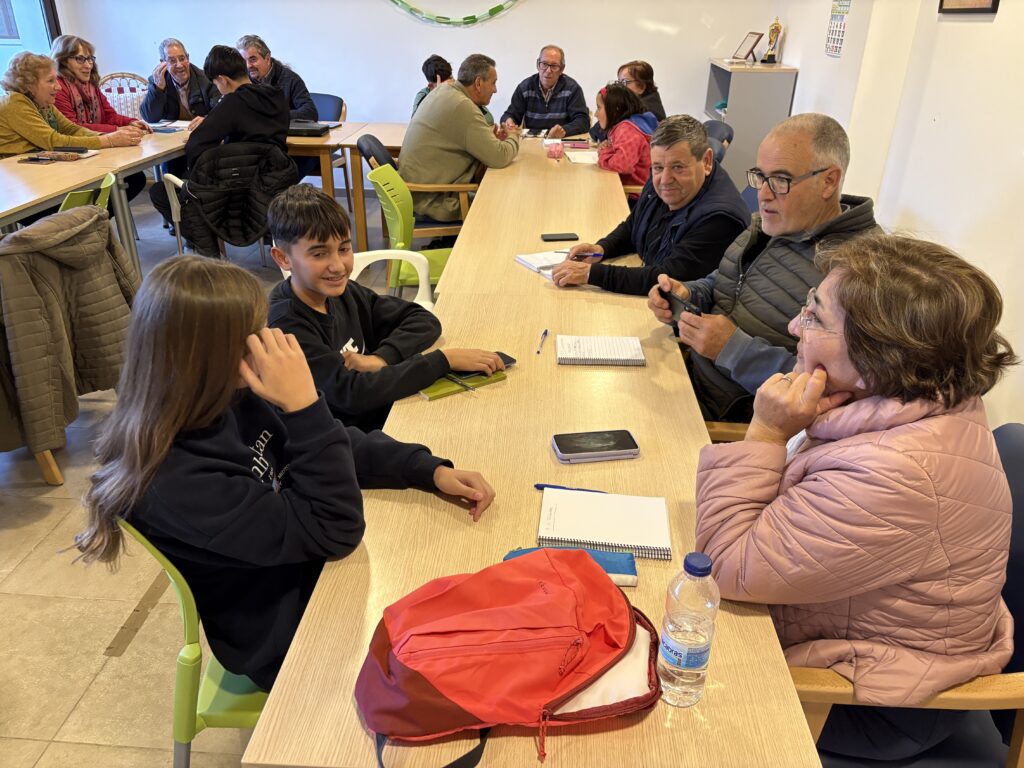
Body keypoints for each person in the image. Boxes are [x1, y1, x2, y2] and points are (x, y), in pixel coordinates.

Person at [76, 255, 498, 692]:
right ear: (208, 356)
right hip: (285, 636)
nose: (271, 341)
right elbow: (336, 531)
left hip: (313, 572)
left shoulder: (229, 395)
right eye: (254, 334)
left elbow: (339, 443)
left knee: (473, 592)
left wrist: (425, 469)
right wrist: (305, 407)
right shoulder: (176, 480)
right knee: (466, 659)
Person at [694, 232, 1016, 761]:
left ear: (879, 360)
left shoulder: (896, 472)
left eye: (816, 318)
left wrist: (766, 434)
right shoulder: (918, 398)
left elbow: (726, 566)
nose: (795, 326)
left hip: (874, 701)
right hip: (858, 636)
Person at [646, 113, 877, 423]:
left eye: (781, 180)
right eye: (760, 176)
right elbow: (726, 282)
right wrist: (689, 292)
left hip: (726, 417)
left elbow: (836, 393)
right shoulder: (777, 223)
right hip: (685, 373)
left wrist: (734, 350)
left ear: (829, 181)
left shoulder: (862, 272)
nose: (763, 194)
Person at [267, 184, 505, 432]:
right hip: (355, 441)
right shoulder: (287, 327)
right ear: (283, 258)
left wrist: (381, 358)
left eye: (344, 249)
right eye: (319, 254)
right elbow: (351, 394)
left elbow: (422, 320)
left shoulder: (343, 292)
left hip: (390, 412)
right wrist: (442, 361)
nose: (337, 266)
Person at [551, 116, 748, 296]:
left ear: (706, 161)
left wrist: (591, 274)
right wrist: (601, 248)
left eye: (678, 167)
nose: (665, 179)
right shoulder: (667, 178)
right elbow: (635, 223)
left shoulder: (720, 220)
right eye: (658, 168)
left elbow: (668, 277)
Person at [149, 45, 291, 228]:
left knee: (160, 191)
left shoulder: (232, 102)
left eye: (216, 84)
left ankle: (203, 239)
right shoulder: (276, 95)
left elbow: (197, 144)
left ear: (222, 80)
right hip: (273, 184)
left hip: (238, 193)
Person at [399, 53, 520, 223]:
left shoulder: (445, 90)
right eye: (493, 83)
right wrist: (514, 135)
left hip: (414, 191)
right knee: (503, 202)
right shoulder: (463, 106)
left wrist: (488, 138)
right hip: (432, 200)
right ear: (478, 83)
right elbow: (499, 157)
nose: (495, 90)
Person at [49, 35, 150, 203]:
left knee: (135, 178)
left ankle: (97, 219)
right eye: (80, 59)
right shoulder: (59, 88)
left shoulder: (90, 85)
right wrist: (117, 131)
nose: (88, 65)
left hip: (97, 152)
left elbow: (109, 115)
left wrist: (130, 122)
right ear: (63, 60)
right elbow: (75, 127)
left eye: (90, 59)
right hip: (75, 160)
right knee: (132, 180)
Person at [0, 51, 141, 157]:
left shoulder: (42, 102)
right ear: (29, 84)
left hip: (37, 167)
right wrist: (109, 140)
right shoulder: (15, 102)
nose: (58, 87)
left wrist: (112, 134)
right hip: (16, 175)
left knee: (133, 179)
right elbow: (54, 142)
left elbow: (72, 129)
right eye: (51, 81)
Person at [500, 45, 588, 139]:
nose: (548, 70)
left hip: (559, 142)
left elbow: (583, 121)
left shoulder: (572, 89)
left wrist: (564, 130)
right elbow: (510, 114)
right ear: (538, 65)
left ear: (561, 69)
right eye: (544, 64)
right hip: (532, 141)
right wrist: (509, 121)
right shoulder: (525, 87)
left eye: (554, 66)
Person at [139, 38, 220, 126]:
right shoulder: (157, 80)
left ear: (188, 58)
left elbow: (221, 110)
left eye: (182, 59)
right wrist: (158, 89)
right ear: (163, 63)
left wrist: (207, 119)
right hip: (171, 136)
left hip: (201, 132)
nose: (179, 65)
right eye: (172, 61)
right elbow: (149, 117)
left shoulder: (206, 78)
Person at [235, 34, 316, 122]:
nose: (248, 66)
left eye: (253, 59)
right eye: (243, 61)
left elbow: (310, 112)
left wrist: (273, 115)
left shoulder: (290, 79)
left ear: (267, 58)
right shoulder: (241, 79)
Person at [593, 83, 657, 188]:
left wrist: (604, 153)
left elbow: (621, 165)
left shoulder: (627, 130)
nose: (596, 114)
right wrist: (610, 149)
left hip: (633, 196)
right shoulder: (625, 125)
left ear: (615, 109)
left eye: (599, 108)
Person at [591, 60, 665, 142]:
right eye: (619, 82)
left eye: (624, 82)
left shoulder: (644, 112)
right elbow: (595, 132)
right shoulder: (636, 104)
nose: (619, 87)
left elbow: (602, 132)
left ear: (641, 87)